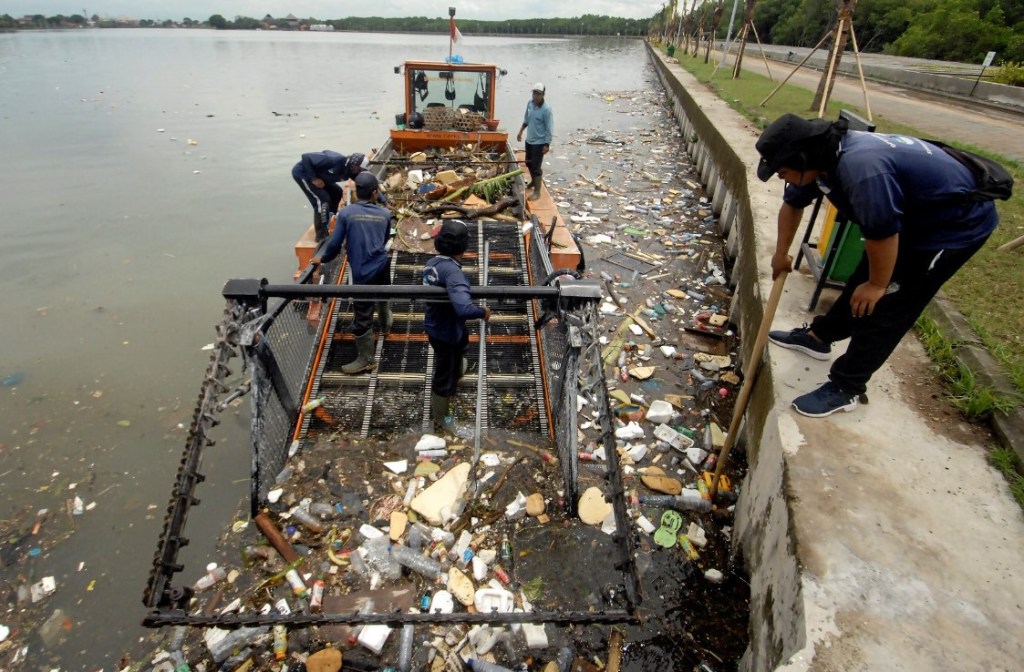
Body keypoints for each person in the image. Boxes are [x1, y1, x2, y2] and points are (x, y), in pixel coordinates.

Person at [756, 113, 998, 418]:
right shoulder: (819, 160)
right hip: (908, 218)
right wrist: (781, 253)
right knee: (866, 282)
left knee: (889, 303)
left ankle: (848, 386)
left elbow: (883, 234)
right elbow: (792, 204)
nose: (781, 177)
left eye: (783, 171)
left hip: (951, 227)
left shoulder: (863, 171)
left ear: (803, 159)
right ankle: (820, 337)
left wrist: (879, 285)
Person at [311, 172, 393, 374]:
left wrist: (323, 259)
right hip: (382, 263)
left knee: (362, 312)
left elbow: (335, 244)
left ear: (356, 192)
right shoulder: (385, 214)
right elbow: (382, 240)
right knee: (383, 295)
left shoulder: (347, 213)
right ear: (375, 193)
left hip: (363, 270)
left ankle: (367, 359)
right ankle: (385, 325)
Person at [423, 220, 492, 431]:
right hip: (447, 332)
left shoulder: (433, 264)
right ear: (463, 247)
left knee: (460, 347)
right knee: (445, 375)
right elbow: (464, 308)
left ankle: (458, 369)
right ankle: (442, 418)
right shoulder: (454, 274)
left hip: (435, 324)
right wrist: (482, 312)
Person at [292, 150, 368, 241]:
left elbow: (364, 184)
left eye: (361, 170)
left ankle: (330, 220)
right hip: (304, 174)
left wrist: (381, 199)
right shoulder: (333, 160)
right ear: (353, 164)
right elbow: (305, 157)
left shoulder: (351, 170)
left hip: (322, 176)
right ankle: (321, 234)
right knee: (322, 200)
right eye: (358, 169)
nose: (358, 172)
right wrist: (314, 178)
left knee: (337, 192)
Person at [517, 82, 553, 202]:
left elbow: (549, 127)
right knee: (528, 163)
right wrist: (521, 131)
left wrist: (547, 144)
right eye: (534, 93)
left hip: (539, 142)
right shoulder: (530, 104)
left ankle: (537, 192)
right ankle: (533, 181)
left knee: (536, 167)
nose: (535, 96)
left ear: (543, 95)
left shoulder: (546, 109)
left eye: (538, 94)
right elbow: (526, 119)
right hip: (530, 140)